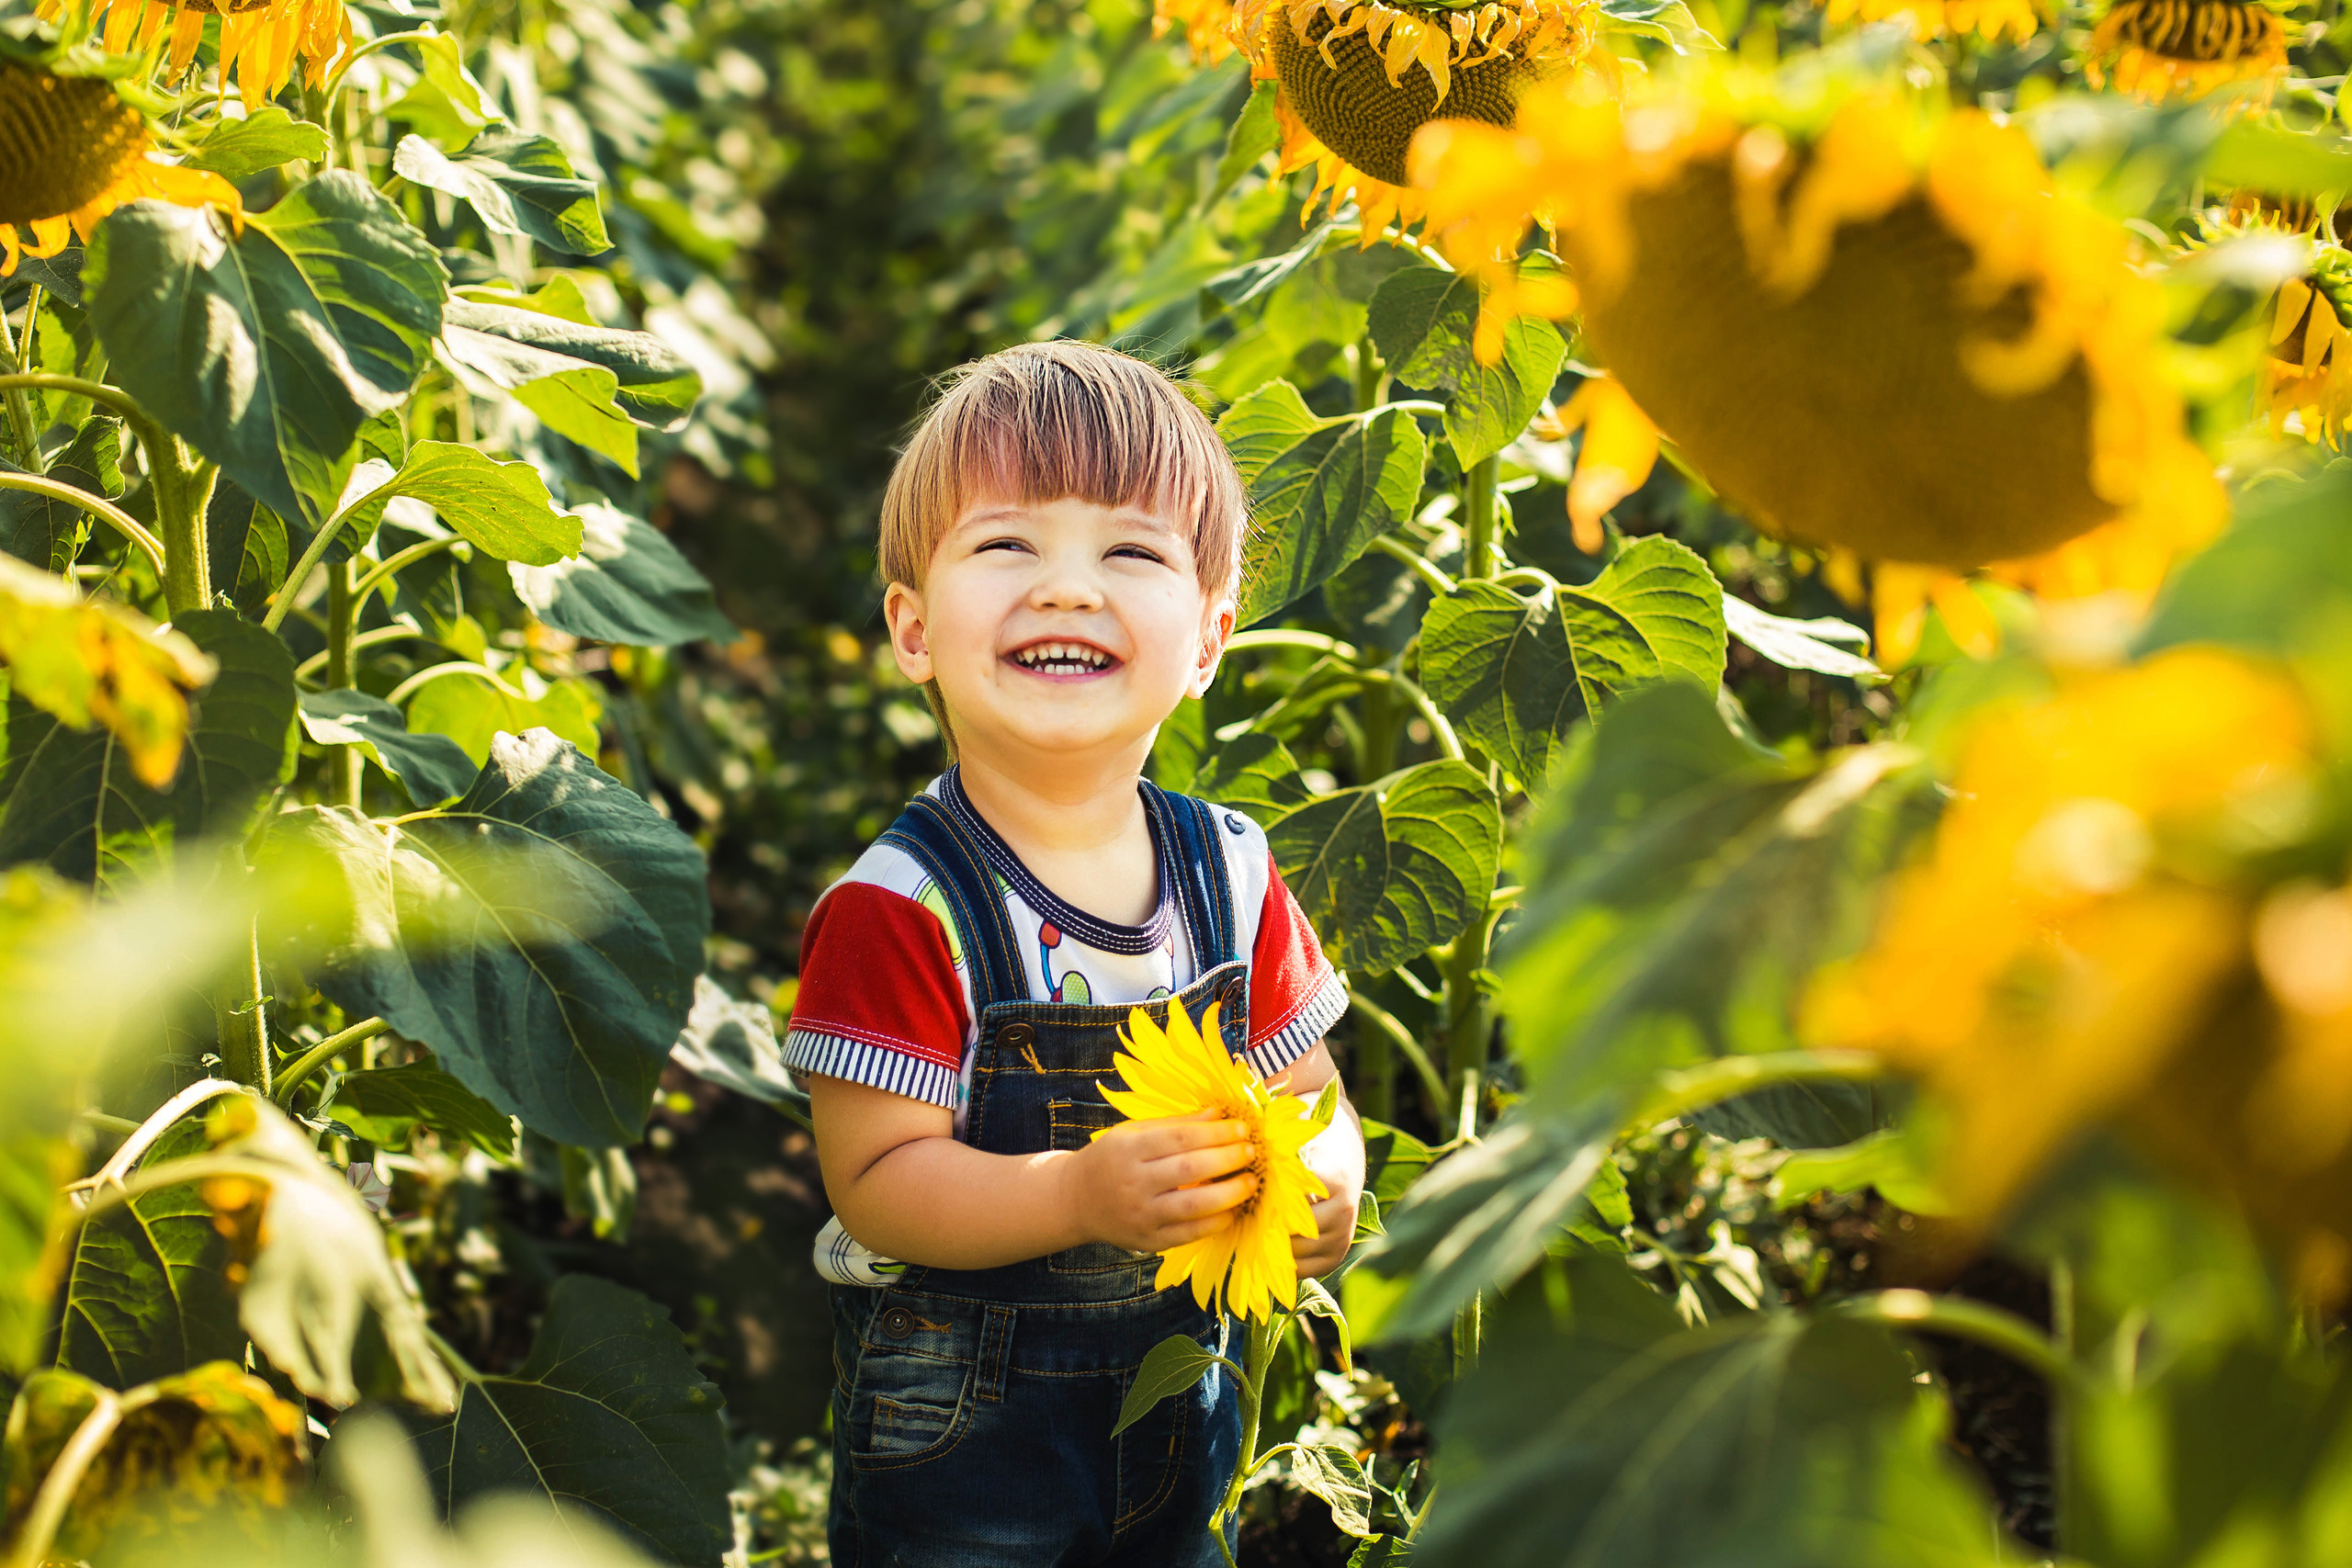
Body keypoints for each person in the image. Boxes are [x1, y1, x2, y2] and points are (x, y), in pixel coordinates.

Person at [784, 339, 1365, 1567]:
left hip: (1182, 1402)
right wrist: (1080, 1196)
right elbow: (876, 1180)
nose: (1065, 589)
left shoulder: (1232, 874)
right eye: (1008, 545)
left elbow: (1313, 1094)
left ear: (1207, 642)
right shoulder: (904, 907)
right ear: (913, 629)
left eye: (1131, 553)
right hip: (964, 1446)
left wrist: (1327, 1180)